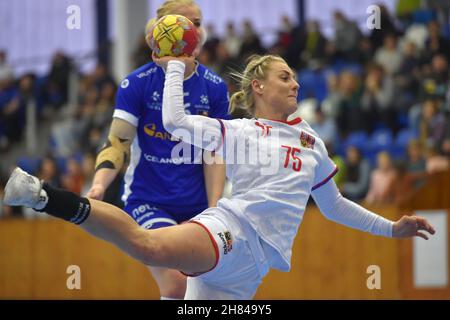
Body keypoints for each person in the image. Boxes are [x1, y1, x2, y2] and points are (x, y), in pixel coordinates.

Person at [4, 54, 435, 300]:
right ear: (259, 88)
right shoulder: (237, 131)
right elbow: (174, 121)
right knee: (151, 247)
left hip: (252, 271)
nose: (295, 84)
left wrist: (391, 229)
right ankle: (44, 196)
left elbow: (334, 205)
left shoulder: (313, 144)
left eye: (297, 79)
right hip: (232, 231)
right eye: (285, 77)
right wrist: (175, 67)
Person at [85, 0, 230, 299]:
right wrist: (99, 185)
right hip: (149, 201)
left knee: (205, 288)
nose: (194, 32)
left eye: (198, 24)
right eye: (183, 24)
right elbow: (118, 142)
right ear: (161, 33)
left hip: (198, 205)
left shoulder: (214, 87)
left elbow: (215, 153)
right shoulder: (137, 83)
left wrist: (214, 208)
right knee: (176, 283)